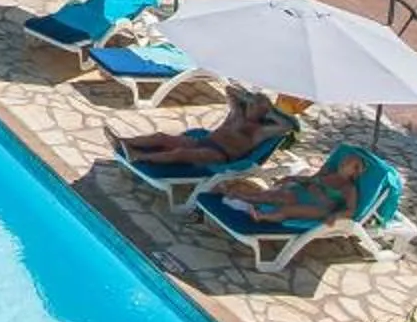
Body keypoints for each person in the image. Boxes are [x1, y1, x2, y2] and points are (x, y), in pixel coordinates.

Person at [116, 88, 282, 166]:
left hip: (219, 154)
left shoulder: (258, 131)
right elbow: (229, 90)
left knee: (179, 153)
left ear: (264, 112)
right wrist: (247, 97)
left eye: (257, 107)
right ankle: (124, 141)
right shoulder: (237, 114)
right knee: (161, 137)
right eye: (252, 105)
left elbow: (286, 126)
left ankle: (138, 156)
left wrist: (271, 112)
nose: (252, 108)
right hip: (203, 142)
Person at [211, 151, 366, 225]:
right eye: (344, 160)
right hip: (302, 194)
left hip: (320, 207)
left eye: (348, 164)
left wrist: (336, 216)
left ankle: (261, 217)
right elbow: (310, 179)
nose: (342, 163)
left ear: (355, 172)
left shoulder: (349, 188)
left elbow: (351, 210)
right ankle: (236, 195)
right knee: (274, 196)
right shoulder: (328, 174)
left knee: (288, 211)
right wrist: (292, 177)